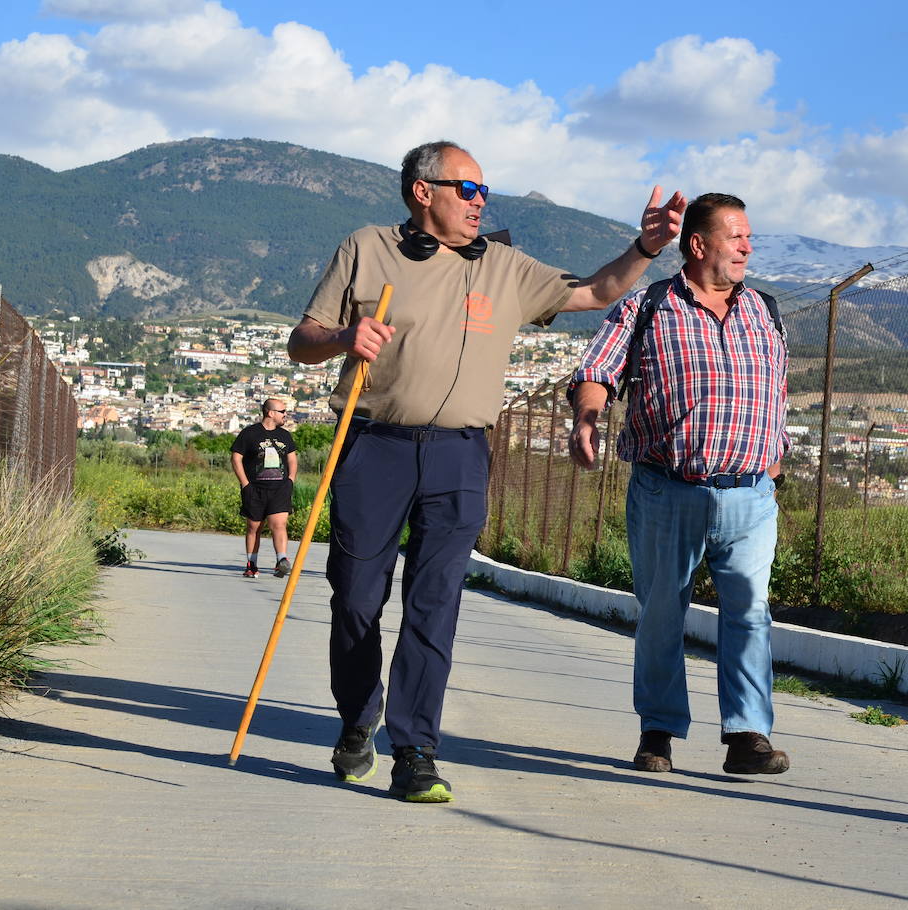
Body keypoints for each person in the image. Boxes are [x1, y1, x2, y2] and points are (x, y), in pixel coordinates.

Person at [288, 139, 685, 803]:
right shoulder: (365, 248)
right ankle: (358, 715)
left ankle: (416, 751)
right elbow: (302, 341)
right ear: (423, 191)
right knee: (355, 598)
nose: (480, 202)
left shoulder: (503, 266)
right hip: (372, 445)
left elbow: (594, 290)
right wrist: (341, 339)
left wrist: (645, 249)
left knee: (434, 605)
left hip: (461, 454)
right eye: (466, 190)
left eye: (483, 192)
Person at [567, 193, 791, 776]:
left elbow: (778, 391)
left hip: (751, 495)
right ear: (698, 245)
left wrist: (775, 457)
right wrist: (587, 418)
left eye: (749, 238)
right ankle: (658, 732)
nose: (747, 247)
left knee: (750, 613)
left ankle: (747, 736)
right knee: (663, 613)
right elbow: (596, 371)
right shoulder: (649, 307)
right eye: (736, 237)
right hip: (668, 490)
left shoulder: (766, 310)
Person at [230, 399, 298, 578]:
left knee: (279, 524)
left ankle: (281, 561)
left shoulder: (285, 435)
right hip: (255, 488)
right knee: (254, 527)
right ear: (271, 413)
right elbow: (236, 458)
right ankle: (251, 564)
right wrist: (245, 483)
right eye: (282, 411)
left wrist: (290, 480)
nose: (285, 414)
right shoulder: (249, 434)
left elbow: (292, 459)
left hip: (280, 488)